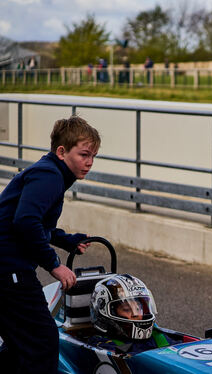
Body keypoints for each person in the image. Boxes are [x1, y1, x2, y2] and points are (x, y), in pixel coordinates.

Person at [0, 115, 100, 374]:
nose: (89, 163)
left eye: (93, 156)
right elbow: (25, 221)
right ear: (61, 151)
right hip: (9, 270)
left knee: (22, 345)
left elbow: (32, 222)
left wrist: (67, 240)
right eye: (84, 154)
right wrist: (55, 265)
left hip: (6, 268)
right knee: (42, 341)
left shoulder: (49, 172)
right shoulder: (49, 175)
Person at [88, 274, 179, 354]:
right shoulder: (102, 343)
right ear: (104, 312)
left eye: (138, 308)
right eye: (127, 309)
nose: (136, 315)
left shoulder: (157, 336)